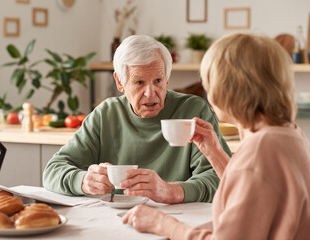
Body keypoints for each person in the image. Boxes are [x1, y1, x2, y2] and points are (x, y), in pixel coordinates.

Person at [122, 33, 310, 239]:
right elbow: (251, 200)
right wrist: (214, 153)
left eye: (208, 80)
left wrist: (162, 223)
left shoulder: (259, 151)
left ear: (228, 88)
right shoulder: (288, 133)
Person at [43, 35, 231, 204]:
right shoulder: (105, 114)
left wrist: (172, 191)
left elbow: (224, 178)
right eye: (139, 82)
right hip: (116, 221)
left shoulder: (193, 110)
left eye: (158, 81)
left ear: (167, 79)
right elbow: (52, 171)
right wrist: (83, 181)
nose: (150, 93)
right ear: (120, 82)